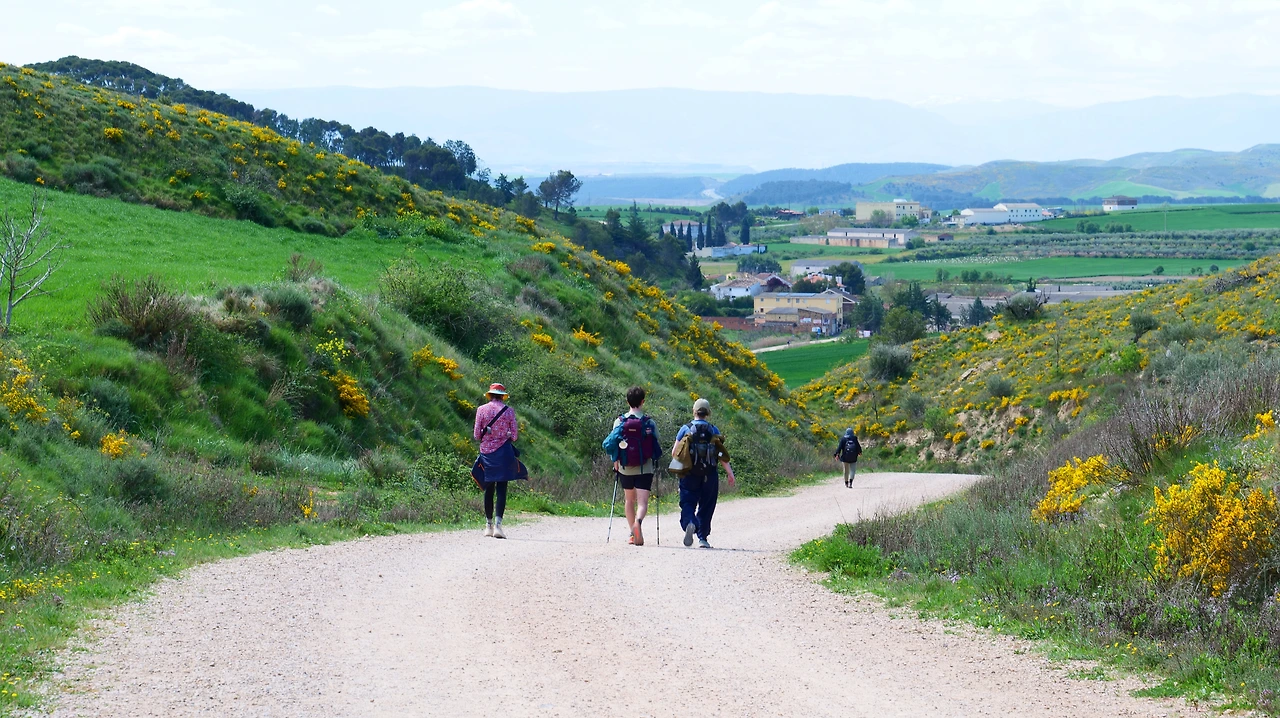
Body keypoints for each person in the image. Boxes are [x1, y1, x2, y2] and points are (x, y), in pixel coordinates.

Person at [603, 386, 661, 546]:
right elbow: (656, 441)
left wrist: (615, 461)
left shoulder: (620, 421)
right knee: (642, 503)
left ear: (627, 401)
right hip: (645, 467)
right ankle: (638, 522)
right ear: (643, 401)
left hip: (625, 467)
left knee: (629, 500)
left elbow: (612, 443)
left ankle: (631, 534)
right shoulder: (649, 422)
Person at [672, 398, 733, 549]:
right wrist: (730, 473)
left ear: (694, 411)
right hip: (709, 474)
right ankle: (702, 538)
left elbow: (675, 452)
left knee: (687, 502)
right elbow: (721, 455)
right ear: (708, 413)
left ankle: (690, 522)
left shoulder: (685, 429)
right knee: (707, 505)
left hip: (689, 474)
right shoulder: (713, 430)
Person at [473, 383, 519, 538]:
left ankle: (488, 526)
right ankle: (498, 526)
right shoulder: (509, 411)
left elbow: (476, 435)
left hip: (487, 453)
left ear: (490, 395)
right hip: (504, 452)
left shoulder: (481, 410)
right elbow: (514, 436)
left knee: (489, 488)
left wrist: (487, 432)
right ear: (502, 396)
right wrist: (506, 435)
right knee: (502, 488)